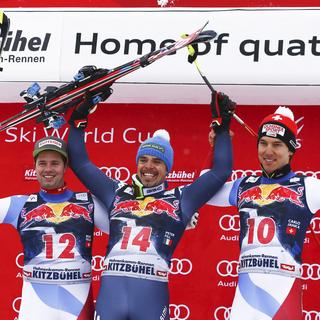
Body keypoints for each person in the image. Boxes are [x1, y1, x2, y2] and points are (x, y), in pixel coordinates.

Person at [67, 89, 235, 320]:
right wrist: (79, 117)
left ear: (168, 169)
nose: (148, 166)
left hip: (151, 300)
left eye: (157, 162)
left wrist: (222, 127)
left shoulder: (180, 199)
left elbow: (221, 171)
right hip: (111, 298)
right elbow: (79, 162)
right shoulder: (117, 192)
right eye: (143, 160)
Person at [206, 106, 320, 319]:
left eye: (277, 145)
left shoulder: (308, 187)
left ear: (291, 150)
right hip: (245, 295)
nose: (268, 151)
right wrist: (217, 145)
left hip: (284, 293)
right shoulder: (243, 186)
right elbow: (205, 191)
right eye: (263, 143)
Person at [0, 136, 109, 320]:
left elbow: (125, 227)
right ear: (34, 167)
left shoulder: (88, 204)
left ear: (65, 167)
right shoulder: (20, 204)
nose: (48, 169)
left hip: (79, 306)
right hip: (35, 306)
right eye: (42, 163)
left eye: (55, 163)